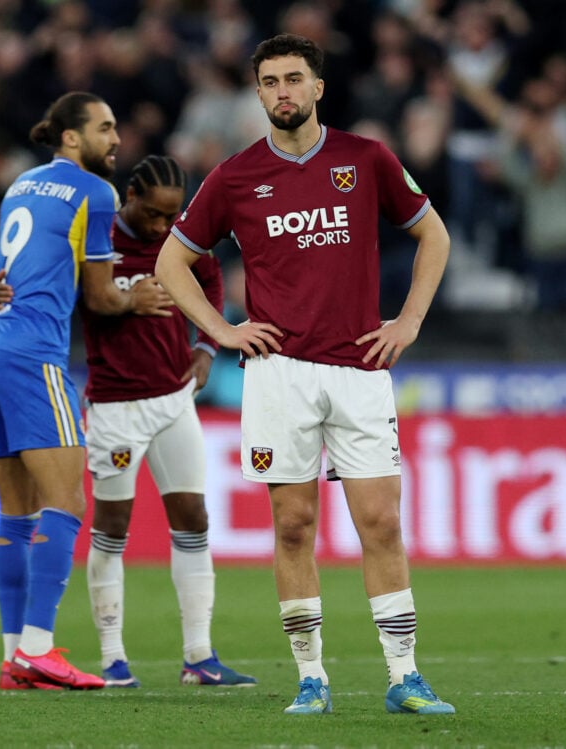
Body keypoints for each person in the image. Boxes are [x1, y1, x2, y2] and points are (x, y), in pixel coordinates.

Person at [155, 33, 455, 715]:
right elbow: (173, 262)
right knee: (293, 524)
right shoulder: (234, 176)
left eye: (293, 79)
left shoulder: (365, 158)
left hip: (359, 366)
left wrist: (408, 320)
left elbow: (432, 233)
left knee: (380, 521)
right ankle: (311, 677)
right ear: (258, 92)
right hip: (277, 373)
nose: (282, 92)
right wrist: (222, 330)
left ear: (318, 87)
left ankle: (404, 675)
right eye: (269, 82)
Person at [0, 91, 142, 691]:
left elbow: (8, 276)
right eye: (105, 128)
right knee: (66, 503)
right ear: (72, 137)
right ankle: (39, 649)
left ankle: (14, 657)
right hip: (33, 354)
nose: (116, 139)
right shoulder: (96, 192)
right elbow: (100, 296)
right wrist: (138, 298)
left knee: (16, 515)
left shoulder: (20, 185)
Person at [81, 154, 256, 687]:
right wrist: (126, 300)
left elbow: (211, 281)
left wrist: (207, 347)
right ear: (130, 196)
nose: (163, 226)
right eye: (154, 214)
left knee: (193, 519)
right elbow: (80, 297)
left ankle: (199, 657)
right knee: (112, 528)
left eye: (171, 215)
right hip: (116, 405)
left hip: (174, 399)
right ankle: (113, 659)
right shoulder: (97, 239)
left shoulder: (179, 239)